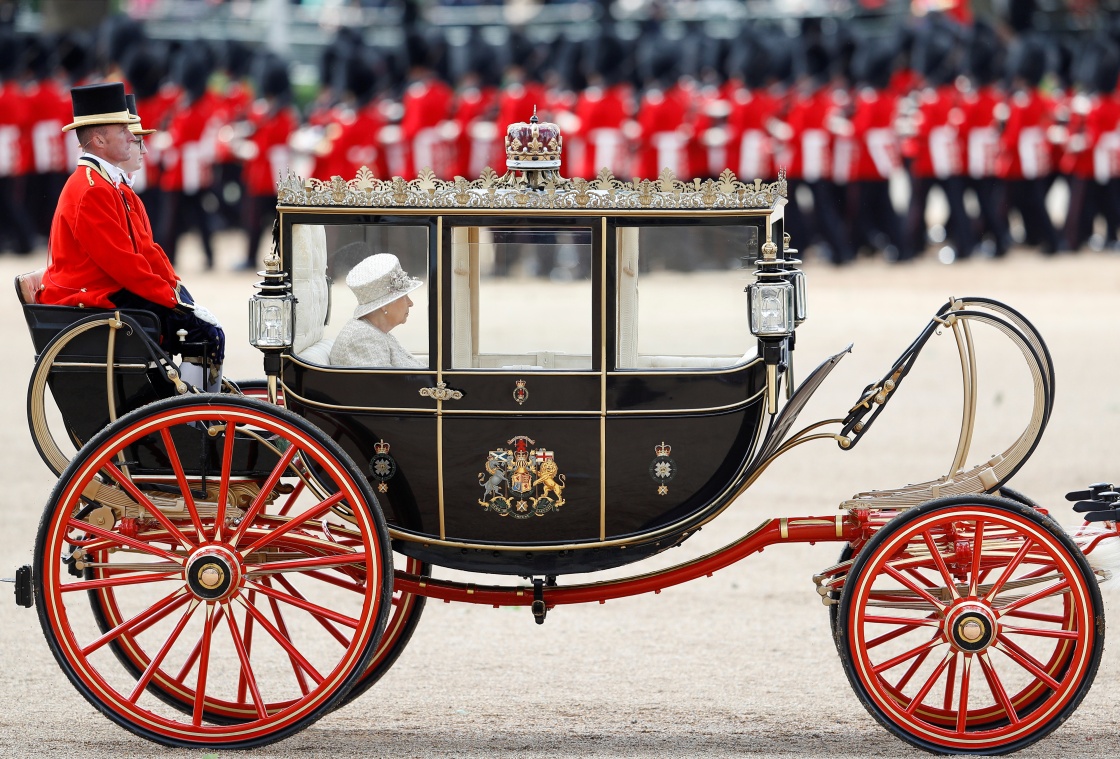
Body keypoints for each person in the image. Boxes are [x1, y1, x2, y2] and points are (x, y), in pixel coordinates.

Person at [39, 82, 224, 391]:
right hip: (96, 299)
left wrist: (177, 291)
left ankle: (189, 408)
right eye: (122, 129)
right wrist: (173, 302)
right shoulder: (92, 189)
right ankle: (192, 417)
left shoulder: (103, 184)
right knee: (204, 333)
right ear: (98, 139)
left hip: (110, 290)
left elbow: (145, 251)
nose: (132, 136)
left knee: (201, 327)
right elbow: (123, 264)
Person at [330, 253, 424, 368]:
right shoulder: (364, 338)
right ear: (384, 305)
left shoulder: (375, 333)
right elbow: (384, 384)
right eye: (404, 297)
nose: (411, 303)